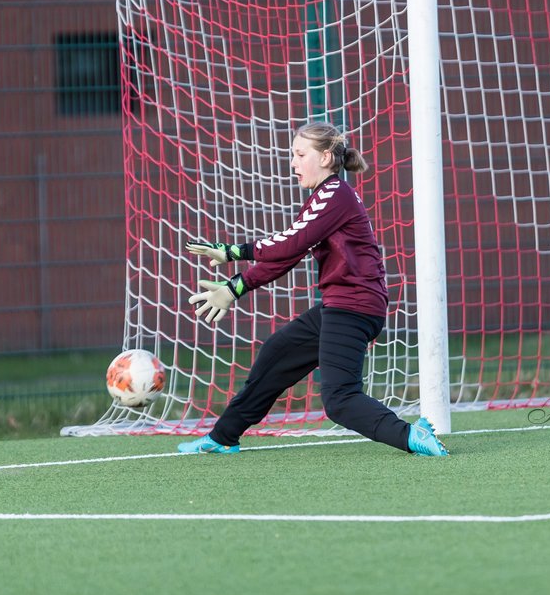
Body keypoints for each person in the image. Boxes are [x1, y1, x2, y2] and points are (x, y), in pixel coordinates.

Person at [177, 122, 449, 457]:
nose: (293, 162)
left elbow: (291, 241)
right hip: (341, 304)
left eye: (300, 154)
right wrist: (235, 287)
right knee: (276, 353)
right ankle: (223, 436)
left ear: (324, 158)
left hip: (353, 306)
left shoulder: (335, 194)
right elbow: (289, 253)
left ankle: (409, 434)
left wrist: (235, 251)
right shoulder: (324, 197)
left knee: (339, 400)